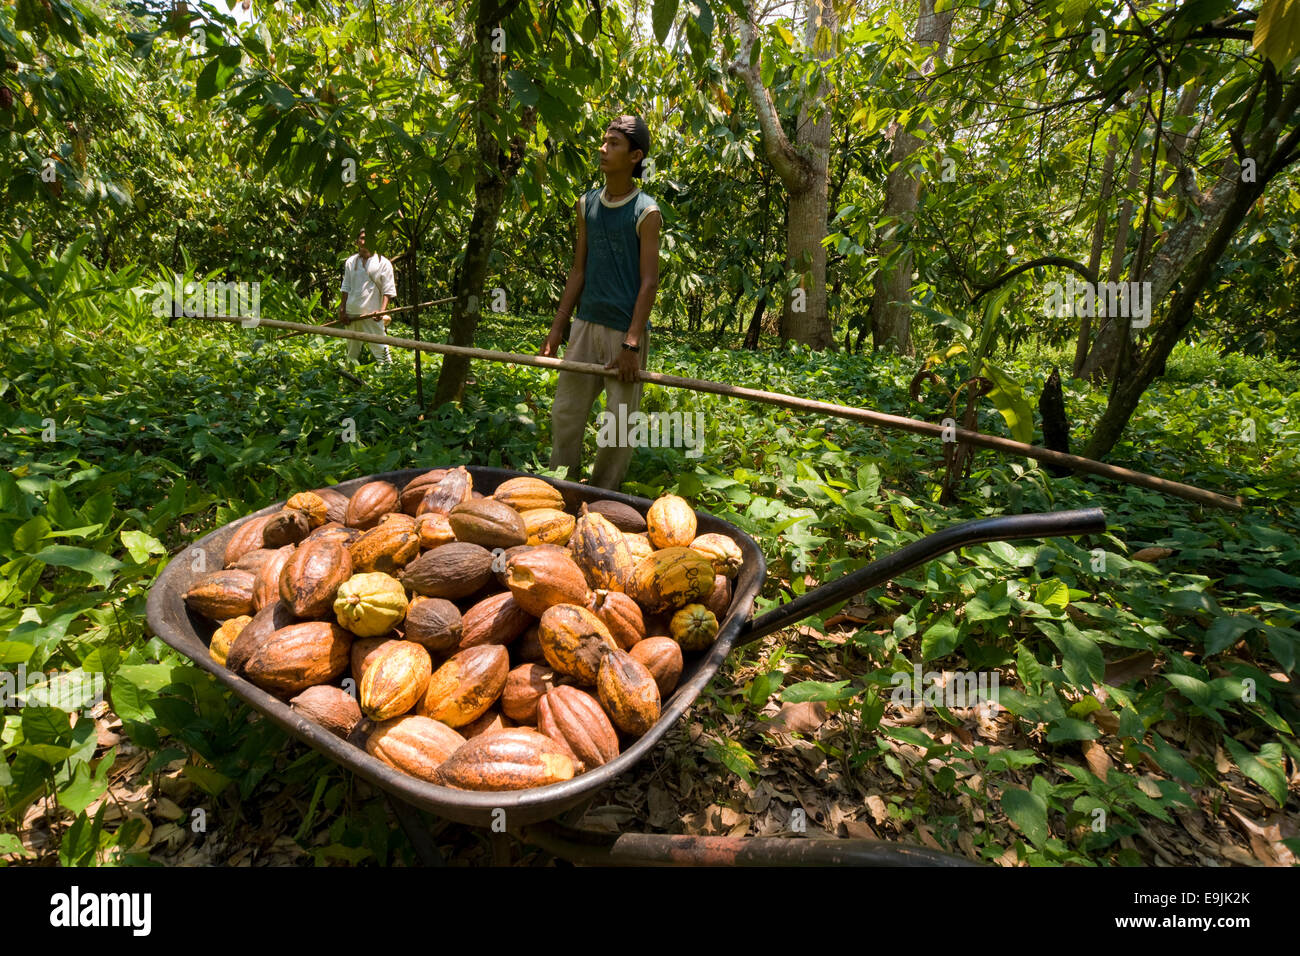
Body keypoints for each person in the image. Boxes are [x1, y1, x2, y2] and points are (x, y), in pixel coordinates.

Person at [542, 114, 661, 490]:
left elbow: (649, 281)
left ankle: (604, 496)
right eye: (604, 141)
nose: (603, 149)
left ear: (635, 155)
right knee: (566, 413)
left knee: (619, 424)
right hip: (585, 324)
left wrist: (631, 342)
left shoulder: (646, 212)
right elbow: (578, 270)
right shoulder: (587, 205)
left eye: (614, 144)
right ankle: (563, 489)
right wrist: (559, 327)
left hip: (623, 332)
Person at [338, 229, 397, 366]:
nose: (365, 242)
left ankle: (390, 377)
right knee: (352, 350)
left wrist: (382, 311)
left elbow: (388, 289)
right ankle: (348, 380)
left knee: (381, 349)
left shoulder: (383, 262)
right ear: (357, 241)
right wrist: (343, 310)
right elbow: (346, 286)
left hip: (372, 313)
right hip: (352, 313)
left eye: (368, 238)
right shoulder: (351, 262)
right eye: (362, 238)